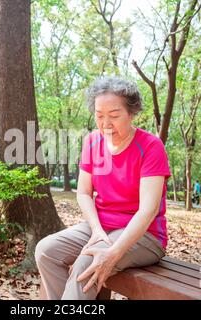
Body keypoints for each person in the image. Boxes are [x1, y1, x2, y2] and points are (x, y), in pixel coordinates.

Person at [35, 76, 171, 300]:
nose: (106, 123)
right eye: (99, 116)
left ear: (132, 112)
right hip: (102, 226)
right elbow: (83, 193)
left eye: (114, 115)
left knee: (87, 263)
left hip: (145, 234)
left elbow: (148, 211)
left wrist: (112, 254)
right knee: (46, 251)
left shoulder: (150, 146)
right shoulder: (92, 141)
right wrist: (97, 230)